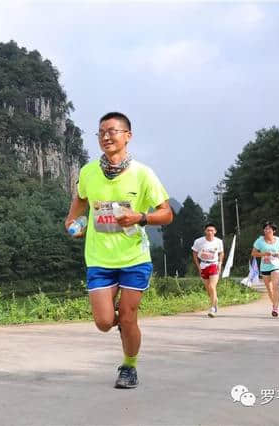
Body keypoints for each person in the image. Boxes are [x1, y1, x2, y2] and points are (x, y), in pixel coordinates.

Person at [65, 112, 173, 389]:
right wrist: (73, 224)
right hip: (99, 259)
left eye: (112, 131)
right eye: (101, 132)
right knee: (103, 322)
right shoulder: (88, 172)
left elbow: (166, 214)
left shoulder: (143, 174)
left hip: (134, 258)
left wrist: (141, 218)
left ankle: (129, 366)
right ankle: (121, 323)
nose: (106, 136)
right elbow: (78, 204)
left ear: (128, 136)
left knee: (128, 317)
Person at [251, 221, 279, 318]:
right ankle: (274, 303)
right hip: (265, 266)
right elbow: (253, 253)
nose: (267, 230)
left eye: (269, 229)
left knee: (275, 285)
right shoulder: (259, 241)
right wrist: (263, 254)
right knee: (269, 288)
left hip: (276, 265)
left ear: (274, 231)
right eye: (265, 229)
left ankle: (275, 308)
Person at [191, 223, 224, 317]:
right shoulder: (199, 241)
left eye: (212, 230)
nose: (210, 232)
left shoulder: (218, 241)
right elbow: (194, 253)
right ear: (205, 231)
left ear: (215, 232)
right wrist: (198, 266)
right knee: (208, 289)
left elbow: (221, 253)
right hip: (203, 265)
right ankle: (215, 302)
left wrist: (220, 263)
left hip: (214, 264)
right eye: (208, 230)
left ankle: (212, 309)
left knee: (212, 286)